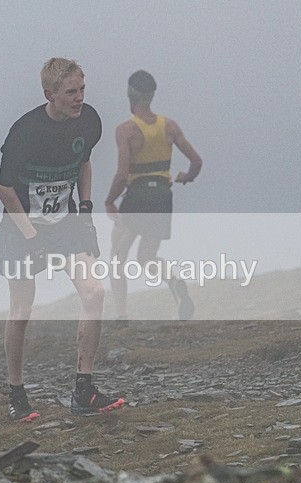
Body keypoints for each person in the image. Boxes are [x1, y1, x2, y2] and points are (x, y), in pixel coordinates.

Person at [0, 57, 125, 422]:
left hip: (66, 222)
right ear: (49, 94)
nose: (79, 98)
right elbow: (4, 189)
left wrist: (85, 206)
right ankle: (17, 394)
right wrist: (32, 234)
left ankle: (84, 391)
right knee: (22, 310)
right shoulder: (25, 131)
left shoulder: (89, 121)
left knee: (94, 293)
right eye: (71, 92)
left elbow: (83, 162)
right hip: (22, 225)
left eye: (82, 89)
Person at [104, 70, 202, 323]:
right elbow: (196, 161)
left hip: (137, 198)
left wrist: (109, 201)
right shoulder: (169, 126)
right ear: (151, 96)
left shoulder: (125, 130)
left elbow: (122, 174)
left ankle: (122, 315)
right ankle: (176, 282)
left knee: (117, 257)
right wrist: (185, 177)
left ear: (130, 95)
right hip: (161, 197)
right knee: (147, 257)